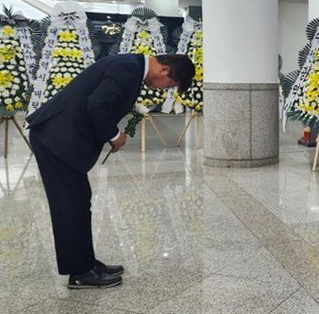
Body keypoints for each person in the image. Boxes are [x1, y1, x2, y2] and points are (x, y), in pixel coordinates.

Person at [27, 53, 195, 289]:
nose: (163, 89)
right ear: (165, 71)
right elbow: (98, 104)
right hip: (56, 139)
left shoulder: (131, 66)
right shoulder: (128, 68)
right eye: (169, 85)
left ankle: (86, 263)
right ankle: (80, 273)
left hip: (60, 138)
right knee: (68, 205)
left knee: (78, 201)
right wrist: (115, 136)